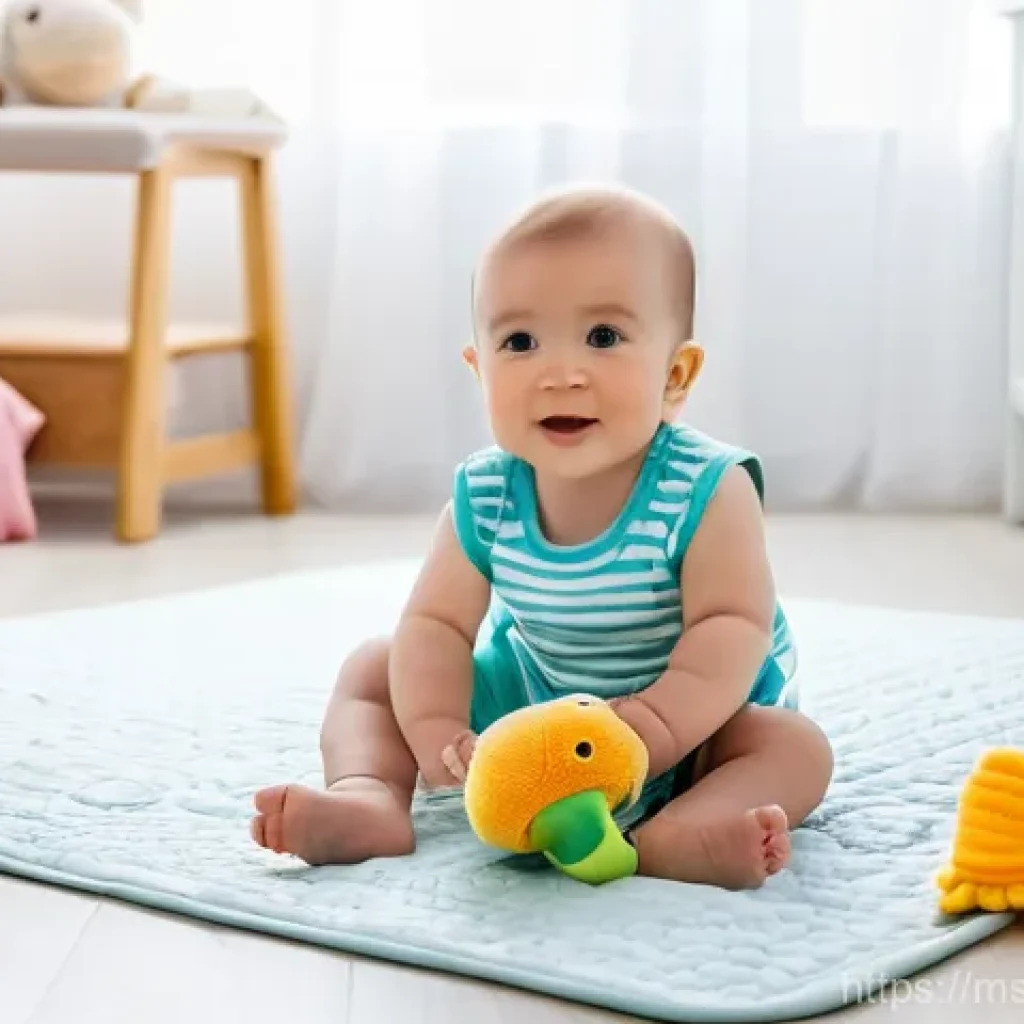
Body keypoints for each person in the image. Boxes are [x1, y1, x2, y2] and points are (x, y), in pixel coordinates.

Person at [251, 185, 834, 888]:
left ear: (675, 376)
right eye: (520, 343)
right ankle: (369, 797)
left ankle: (676, 832)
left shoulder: (707, 489)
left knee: (794, 748)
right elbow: (436, 623)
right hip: (536, 706)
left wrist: (650, 726)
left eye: (604, 337)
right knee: (376, 669)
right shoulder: (488, 493)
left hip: (691, 726)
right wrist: (438, 733)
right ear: (480, 370)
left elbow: (730, 628)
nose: (561, 374)